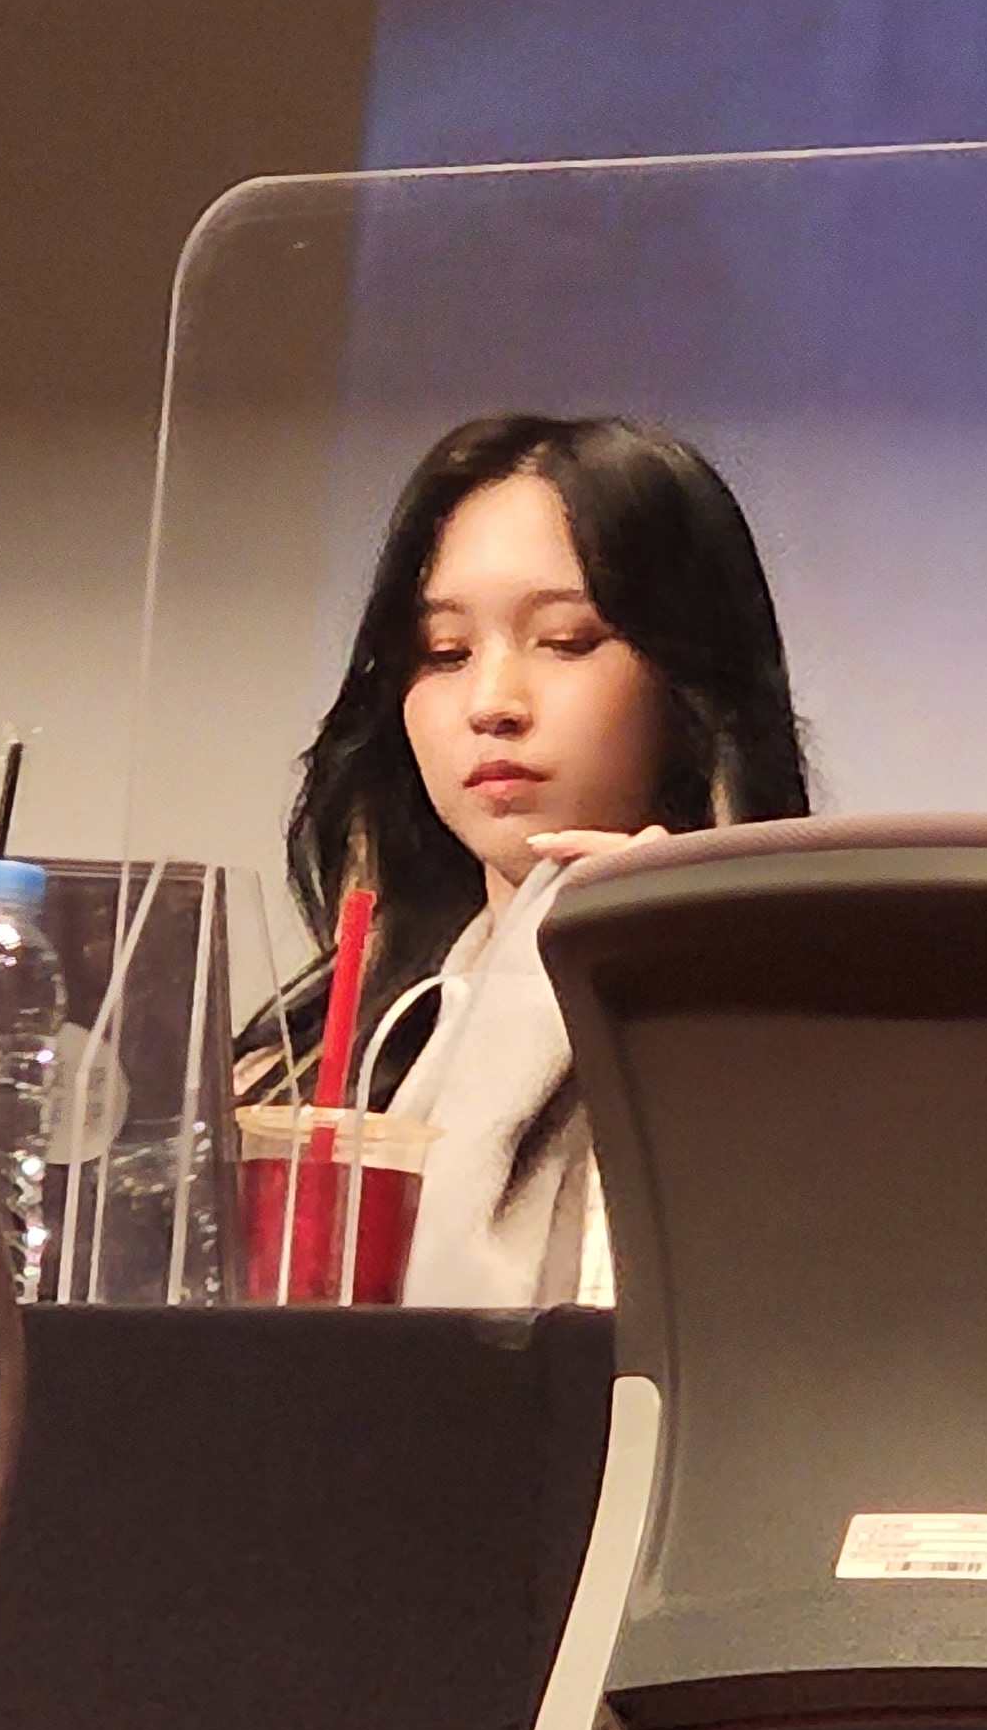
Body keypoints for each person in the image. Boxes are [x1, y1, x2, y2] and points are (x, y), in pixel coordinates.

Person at [268, 412, 809, 1307]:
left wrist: (686, 969)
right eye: (444, 653)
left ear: (688, 683)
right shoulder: (347, 1052)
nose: (492, 702)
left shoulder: (785, 1029)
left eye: (564, 641)